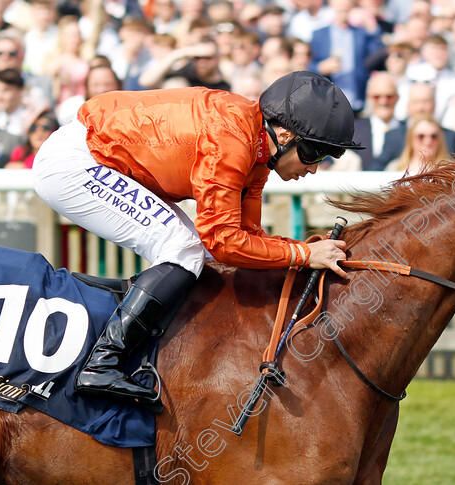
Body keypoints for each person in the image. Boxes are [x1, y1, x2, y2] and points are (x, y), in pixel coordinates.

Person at [32, 71, 361, 408]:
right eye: (314, 154)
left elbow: (245, 237)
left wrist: (301, 252)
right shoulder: (232, 140)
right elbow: (223, 241)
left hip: (97, 154)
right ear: (285, 134)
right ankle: (101, 363)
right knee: (183, 248)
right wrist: (304, 253)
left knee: (191, 249)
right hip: (77, 161)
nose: (314, 168)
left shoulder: (257, 149)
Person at [385, 113, 449, 174]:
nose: (428, 141)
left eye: (433, 136)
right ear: (411, 139)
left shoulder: (450, 170)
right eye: (421, 136)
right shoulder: (394, 168)